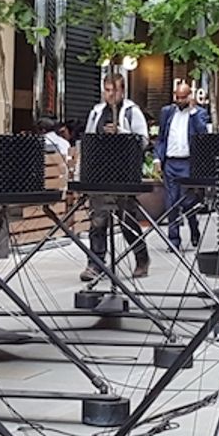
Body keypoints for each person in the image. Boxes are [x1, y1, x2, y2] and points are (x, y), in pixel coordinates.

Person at [81, 73, 149, 282]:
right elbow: (89, 139)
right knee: (98, 220)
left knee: (127, 220)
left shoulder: (132, 112)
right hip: (100, 174)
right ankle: (95, 263)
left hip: (123, 174)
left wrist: (121, 132)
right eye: (107, 90)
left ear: (122, 90)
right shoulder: (96, 112)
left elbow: (143, 140)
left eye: (114, 90)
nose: (110, 95)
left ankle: (141, 257)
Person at [155, 78, 210, 249]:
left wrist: (193, 112)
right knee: (171, 202)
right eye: (177, 97)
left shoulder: (199, 113)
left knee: (187, 202)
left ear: (189, 97)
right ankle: (174, 240)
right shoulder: (167, 112)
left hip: (188, 163)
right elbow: (161, 137)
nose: (179, 101)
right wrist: (158, 158)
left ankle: (194, 228)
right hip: (171, 162)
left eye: (183, 97)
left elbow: (202, 134)